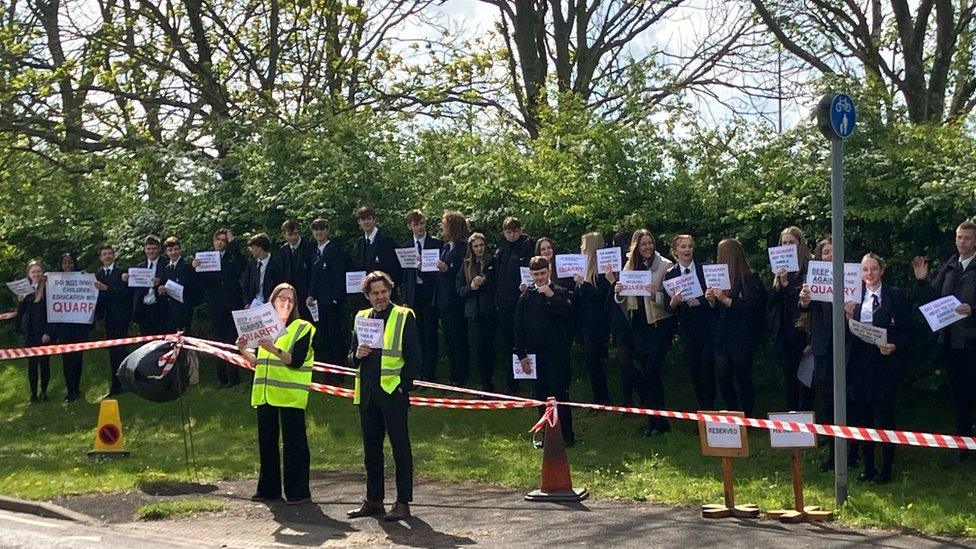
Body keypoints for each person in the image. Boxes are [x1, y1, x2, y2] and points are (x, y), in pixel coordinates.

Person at [347, 271, 421, 522]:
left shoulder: (403, 316)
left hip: (392, 393)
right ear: (367, 295)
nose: (380, 297)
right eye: (375, 293)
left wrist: (403, 387)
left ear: (390, 291)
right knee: (371, 450)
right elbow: (350, 358)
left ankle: (402, 503)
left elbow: (414, 358)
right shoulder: (361, 317)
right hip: (367, 393)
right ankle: (374, 500)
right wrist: (357, 354)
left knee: (400, 449)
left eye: (384, 291)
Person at [236, 282, 315, 504]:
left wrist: (275, 349)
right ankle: (268, 490)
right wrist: (243, 349)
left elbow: (296, 361)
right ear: (272, 301)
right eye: (282, 298)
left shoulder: (302, 327)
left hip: (290, 394)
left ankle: (298, 492)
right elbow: (256, 361)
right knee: (267, 443)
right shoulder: (263, 327)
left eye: (291, 299)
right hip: (265, 393)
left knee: (295, 444)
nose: (286, 302)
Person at [912, 220, 976, 465]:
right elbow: (932, 300)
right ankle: (963, 446)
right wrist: (921, 281)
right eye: (959, 237)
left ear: (975, 241)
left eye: (967, 238)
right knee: (959, 395)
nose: (962, 242)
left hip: (971, 341)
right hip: (950, 342)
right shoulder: (949, 266)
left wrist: (973, 310)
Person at [844, 253, 909, 484]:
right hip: (860, 364)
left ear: (881, 270)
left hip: (885, 364)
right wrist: (848, 315)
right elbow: (845, 334)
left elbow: (907, 330)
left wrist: (894, 346)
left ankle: (886, 468)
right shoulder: (853, 297)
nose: (869, 274)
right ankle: (868, 466)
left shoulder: (895, 295)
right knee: (863, 416)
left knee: (884, 415)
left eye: (873, 269)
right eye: (865, 270)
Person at [799, 236, 858, 471]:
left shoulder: (854, 277)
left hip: (849, 347)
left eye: (834, 252)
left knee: (850, 403)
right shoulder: (814, 279)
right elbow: (805, 307)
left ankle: (853, 454)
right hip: (823, 349)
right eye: (825, 252)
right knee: (829, 404)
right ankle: (834, 455)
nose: (830, 256)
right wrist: (804, 300)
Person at [613, 229, 675, 435]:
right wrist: (619, 292)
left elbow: (671, 301)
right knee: (645, 374)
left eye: (650, 243)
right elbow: (623, 301)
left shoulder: (665, 266)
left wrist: (654, 294)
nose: (647, 247)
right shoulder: (629, 265)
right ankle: (653, 421)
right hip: (638, 326)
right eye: (643, 244)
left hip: (658, 326)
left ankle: (660, 421)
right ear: (636, 247)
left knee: (652, 372)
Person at [514, 256, 576, 446]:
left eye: (542, 273)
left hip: (557, 354)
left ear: (548, 272)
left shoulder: (561, 292)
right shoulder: (525, 297)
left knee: (559, 395)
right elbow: (518, 327)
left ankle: (566, 436)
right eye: (535, 274)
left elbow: (569, 313)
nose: (539, 278)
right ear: (531, 275)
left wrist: (550, 295)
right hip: (534, 355)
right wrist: (521, 355)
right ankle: (546, 437)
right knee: (540, 396)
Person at [706, 238, 765, 417]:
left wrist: (725, 299)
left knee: (743, 375)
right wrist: (711, 300)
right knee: (723, 376)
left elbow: (750, 307)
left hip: (742, 334)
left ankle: (747, 413)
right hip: (722, 334)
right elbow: (714, 311)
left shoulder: (749, 278)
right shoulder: (717, 277)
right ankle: (732, 410)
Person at [664, 234, 716, 410]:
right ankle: (702, 412)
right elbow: (668, 306)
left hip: (707, 326)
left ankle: (711, 410)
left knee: (707, 367)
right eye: (683, 247)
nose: (687, 250)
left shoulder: (704, 271)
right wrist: (674, 303)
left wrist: (703, 301)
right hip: (687, 329)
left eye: (690, 246)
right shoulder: (670, 275)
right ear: (675, 251)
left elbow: (714, 299)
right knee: (695, 371)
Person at [194, 228, 247, 387]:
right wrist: (196, 269)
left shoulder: (232, 255)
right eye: (219, 240)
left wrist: (233, 243)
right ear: (213, 241)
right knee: (218, 340)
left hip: (232, 303)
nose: (221, 243)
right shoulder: (206, 258)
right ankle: (221, 377)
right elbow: (201, 284)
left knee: (232, 340)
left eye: (224, 240)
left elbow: (241, 266)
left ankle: (233, 377)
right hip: (215, 305)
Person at [771, 226, 813, 411]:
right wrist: (780, 283)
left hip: (804, 331)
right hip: (785, 334)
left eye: (791, 243)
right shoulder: (779, 270)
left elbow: (802, 302)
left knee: (805, 382)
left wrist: (788, 285)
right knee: (789, 381)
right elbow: (773, 302)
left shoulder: (808, 267)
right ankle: (791, 423)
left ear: (800, 244)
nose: (787, 246)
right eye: (784, 243)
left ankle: (807, 424)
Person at [493, 217, 535, 394]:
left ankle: (534, 382)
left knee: (529, 342)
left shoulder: (528, 247)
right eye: (508, 232)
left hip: (524, 302)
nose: (512, 235)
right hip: (504, 304)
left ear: (520, 230)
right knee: (509, 343)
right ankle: (512, 382)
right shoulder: (501, 250)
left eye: (515, 231)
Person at [400, 209, 442, 381]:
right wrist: (404, 299)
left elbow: (439, 273)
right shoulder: (405, 247)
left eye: (422, 223)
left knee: (430, 333)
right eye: (416, 224)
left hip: (429, 293)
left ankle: (429, 374)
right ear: (410, 226)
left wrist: (424, 267)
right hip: (413, 295)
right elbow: (402, 276)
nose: (420, 227)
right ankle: (416, 373)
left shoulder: (436, 244)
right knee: (415, 335)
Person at [306, 218, 350, 374]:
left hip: (332, 302)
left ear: (327, 230)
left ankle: (338, 372)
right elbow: (314, 276)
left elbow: (339, 276)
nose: (319, 232)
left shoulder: (334, 250)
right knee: (323, 337)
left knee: (334, 337)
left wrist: (335, 298)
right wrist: (310, 295)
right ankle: (326, 371)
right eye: (316, 230)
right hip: (318, 303)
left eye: (322, 229)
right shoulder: (314, 251)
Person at [457, 232, 497, 392]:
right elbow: (459, 289)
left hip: (489, 311)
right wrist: (471, 288)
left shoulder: (492, 261)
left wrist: (485, 283)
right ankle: (484, 384)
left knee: (489, 347)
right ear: (471, 248)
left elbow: (499, 284)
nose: (479, 249)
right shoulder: (466, 264)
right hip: (472, 312)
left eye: (481, 245)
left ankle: (491, 381)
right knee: (478, 347)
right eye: (476, 246)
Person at [51, 252, 92, 402]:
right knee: (66, 359)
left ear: (74, 264)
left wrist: (87, 278)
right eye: (65, 263)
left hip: (79, 326)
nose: (67, 266)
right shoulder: (55, 281)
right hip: (63, 327)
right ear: (61, 265)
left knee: (78, 358)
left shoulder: (81, 278)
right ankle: (70, 390)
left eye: (70, 263)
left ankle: (77, 387)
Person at [576, 232, 611, 405]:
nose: (581, 248)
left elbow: (601, 296)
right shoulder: (584, 268)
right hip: (585, 321)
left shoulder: (602, 270)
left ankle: (602, 398)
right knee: (591, 361)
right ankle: (598, 396)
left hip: (596, 322)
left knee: (594, 360)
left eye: (583, 245)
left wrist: (584, 284)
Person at [93, 245, 132, 397]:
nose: (108, 256)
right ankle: (115, 384)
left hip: (121, 316)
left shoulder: (122, 272)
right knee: (112, 352)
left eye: (110, 253)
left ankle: (126, 382)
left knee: (122, 350)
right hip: (108, 318)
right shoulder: (98, 274)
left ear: (114, 255)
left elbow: (125, 294)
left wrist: (107, 289)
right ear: (100, 258)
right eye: (104, 254)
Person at [437, 210, 470, 386]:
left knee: (458, 340)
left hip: (455, 300)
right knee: (449, 341)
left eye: (445, 225)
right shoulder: (446, 247)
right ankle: (452, 376)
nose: (443, 228)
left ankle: (460, 377)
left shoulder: (463, 248)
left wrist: (446, 269)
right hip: (444, 300)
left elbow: (461, 274)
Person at [606, 231, 637, 406]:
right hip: (620, 320)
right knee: (626, 361)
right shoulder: (611, 265)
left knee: (632, 361)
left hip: (633, 317)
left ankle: (637, 397)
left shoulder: (633, 265)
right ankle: (628, 399)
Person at [15, 260, 51, 403]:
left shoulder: (48, 289)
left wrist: (47, 332)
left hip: (44, 333)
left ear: (42, 272)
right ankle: (33, 394)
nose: (36, 274)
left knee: (44, 364)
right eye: (33, 272)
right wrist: (21, 301)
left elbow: (52, 312)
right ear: (29, 274)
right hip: (30, 333)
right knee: (32, 365)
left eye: (38, 271)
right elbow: (21, 313)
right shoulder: (24, 290)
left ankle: (44, 392)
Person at [353, 206, 400, 305]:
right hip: (366, 297)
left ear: (374, 220)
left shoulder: (387, 241)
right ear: (359, 222)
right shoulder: (359, 243)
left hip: (383, 296)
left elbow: (395, 270)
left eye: (369, 218)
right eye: (363, 219)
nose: (366, 222)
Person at [127, 235, 166, 336]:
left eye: (154, 248)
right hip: (143, 309)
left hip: (161, 308)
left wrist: (161, 282)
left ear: (159, 249)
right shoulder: (139, 267)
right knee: (145, 340)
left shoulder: (166, 264)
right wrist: (127, 279)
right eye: (148, 249)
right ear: (144, 249)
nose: (151, 251)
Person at [157, 236, 195, 333]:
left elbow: (191, 287)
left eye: (176, 249)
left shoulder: (187, 266)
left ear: (180, 249)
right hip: (169, 309)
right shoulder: (165, 269)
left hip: (184, 309)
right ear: (166, 252)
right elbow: (163, 285)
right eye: (170, 250)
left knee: (183, 339)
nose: (173, 252)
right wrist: (161, 289)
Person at [280, 219, 315, 320]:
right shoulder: (284, 250)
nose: (294, 237)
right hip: (291, 296)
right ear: (284, 235)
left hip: (307, 295)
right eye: (290, 234)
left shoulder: (309, 247)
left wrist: (311, 294)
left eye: (296, 234)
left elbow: (313, 273)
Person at [243, 233, 282, 309]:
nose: (251, 250)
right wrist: (247, 302)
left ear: (260, 248)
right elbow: (246, 285)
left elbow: (279, 285)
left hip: (270, 304)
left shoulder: (275, 264)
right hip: (254, 304)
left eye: (253, 248)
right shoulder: (252, 264)